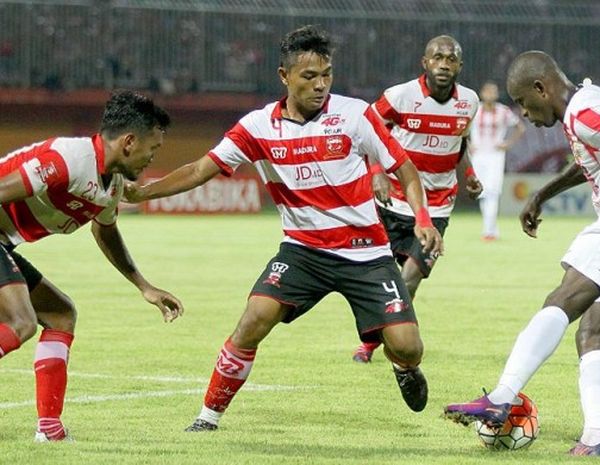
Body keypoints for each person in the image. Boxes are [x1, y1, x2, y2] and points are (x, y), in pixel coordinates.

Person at [124, 25, 443, 431]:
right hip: (303, 251)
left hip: (366, 253)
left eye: (326, 74)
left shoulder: (354, 114)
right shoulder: (257, 127)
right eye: (309, 76)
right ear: (284, 76)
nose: (321, 85)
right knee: (253, 319)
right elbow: (201, 169)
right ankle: (208, 417)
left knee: (409, 347)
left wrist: (421, 217)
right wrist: (143, 193)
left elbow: (405, 169)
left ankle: (404, 367)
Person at [443, 51, 600, 456]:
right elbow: (592, 162)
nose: (525, 115)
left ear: (542, 88)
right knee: (594, 332)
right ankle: (595, 438)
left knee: (563, 298)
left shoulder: (585, 112)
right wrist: (543, 194)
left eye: (525, 104)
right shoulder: (587, 108)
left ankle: (501, 396)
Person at [0, 90, 184, 442]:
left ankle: (50, 429)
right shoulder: (68, 159)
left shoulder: (111, 184)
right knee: (20, 321)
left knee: (60, 314)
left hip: (3, 244)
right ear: (129, 142)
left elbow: (106, 230)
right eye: (153, 149)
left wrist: (144, 285)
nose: (152, 158)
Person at [350, 35, 481, 364]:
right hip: (391, 199)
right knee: (381, 276)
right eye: (437, 57)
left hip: (437, 206)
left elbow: (460, 143)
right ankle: (380, 333)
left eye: (451, 59)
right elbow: (369, 131)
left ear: (460, 66)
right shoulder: (400, 96)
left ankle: (378, 341)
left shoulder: (470, 101)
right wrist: (376, 171)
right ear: (425, 62)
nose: (444, 64)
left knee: (411, 276)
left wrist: (468, 175)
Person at [469, 81, 525, 241]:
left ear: (496, 94)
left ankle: (488, 231)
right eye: (487, 91)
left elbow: (520, 127)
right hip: (478, 155)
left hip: (495, 155)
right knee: (482, 192)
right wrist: (468, 145)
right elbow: (462, 128)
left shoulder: (503, 111)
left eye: (493, 92)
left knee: (492, 192)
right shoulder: (475, 110)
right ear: (482, 93)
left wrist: (508, 143)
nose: (490, 95)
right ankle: (492, 229)